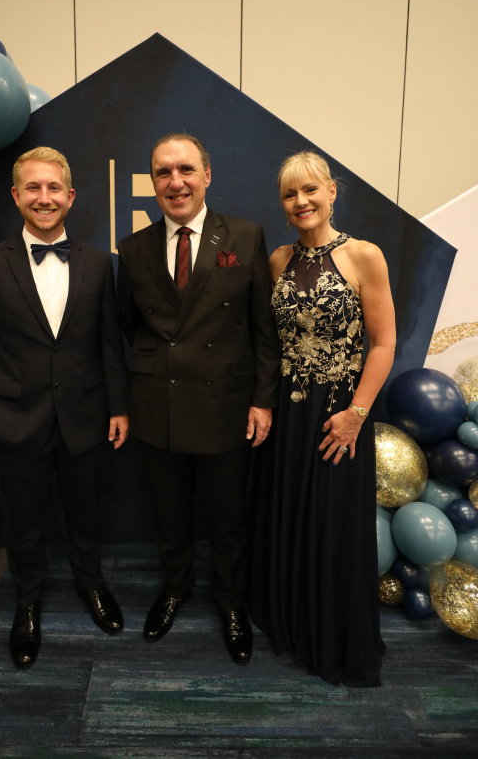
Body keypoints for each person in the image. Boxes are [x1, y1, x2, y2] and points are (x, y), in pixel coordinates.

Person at [0, 146, 129, 669]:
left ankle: (90, 584)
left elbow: (109, 345)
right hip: (15, 419)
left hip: (85, 414)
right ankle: (28, 601)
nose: (44, 197)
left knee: (85, 512)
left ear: (71, 196)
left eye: (54, 187)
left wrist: (118, 408)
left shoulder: (99, 264)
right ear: (16, 196)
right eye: (33, 187)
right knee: (26, 521)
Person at [117, 133, 279, 663]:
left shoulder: (246, 237)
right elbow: (128, 326)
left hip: (226, 404)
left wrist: (263, 399)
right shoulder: (133, 248)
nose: (176, 182)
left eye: (185, 169)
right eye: (163, 172)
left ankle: (231, 603)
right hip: (158, 404)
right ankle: (175, 589)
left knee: (228, 517)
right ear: (153, 183)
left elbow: (262, 329)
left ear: (207, 175)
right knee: (169, 514)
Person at [248, 150, 396, 687]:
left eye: (310, 189)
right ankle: (293, 625)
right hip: (289, 416)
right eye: (290, 194)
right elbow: (269, 344)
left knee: (333, 525)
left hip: (339, 415)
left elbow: (384, 343)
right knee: (291, 515)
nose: (301, 201)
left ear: (332, 191)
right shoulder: (277, 260)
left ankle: (331, 639)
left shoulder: (364, 256)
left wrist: (356, 414)